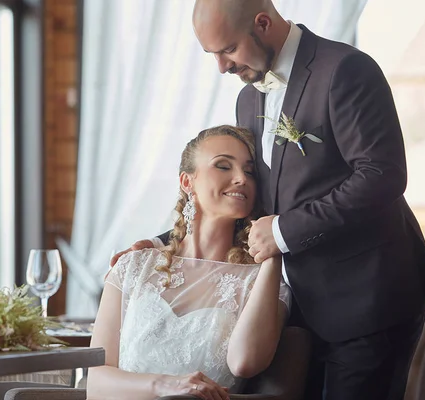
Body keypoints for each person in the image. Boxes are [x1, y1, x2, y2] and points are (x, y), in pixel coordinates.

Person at [113, 1, 425, 399]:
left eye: (228, 50)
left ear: (263, 23)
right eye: (212, 54)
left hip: (368, 297)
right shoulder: (248, 98)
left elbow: (382, 175)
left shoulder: (345, 69)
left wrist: (284, 231)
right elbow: (245, 195)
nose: (222, 67)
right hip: (300, 307)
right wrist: (169, 243)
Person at [88, 125, 291, 400]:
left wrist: (272, 251)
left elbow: (245, 362)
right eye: (223, 166)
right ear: (187, 182)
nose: (241, 178)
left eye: (250, 172)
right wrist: (165, 385)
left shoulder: (261, 281)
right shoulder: (133, 267)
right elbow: (96, 383)